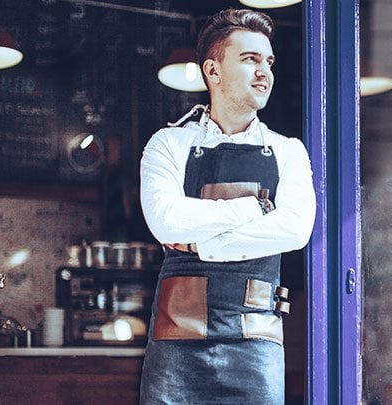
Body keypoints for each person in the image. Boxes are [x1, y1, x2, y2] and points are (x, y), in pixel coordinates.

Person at [138, 8, 316, 404]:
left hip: (256, 341)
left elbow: (294, 230)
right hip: (176, 341)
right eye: (249, 59)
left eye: (268, 61)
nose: (264, 72)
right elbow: (168, 222)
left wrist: (204, 245)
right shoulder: (168, 145)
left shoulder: (289, 152)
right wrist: (255, 208)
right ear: (213, 72)